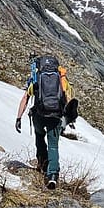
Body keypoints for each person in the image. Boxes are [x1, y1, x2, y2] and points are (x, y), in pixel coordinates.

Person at [15, 53, 74, 189]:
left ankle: (42, 165)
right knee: (53, 145)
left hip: (39, 115)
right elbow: (68, 96)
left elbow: (25, 98)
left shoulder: (35, 78)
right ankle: (52, 175)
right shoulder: (61, 78)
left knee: (39, 137)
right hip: (56, 116)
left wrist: (18, 118)